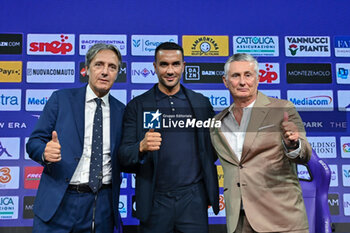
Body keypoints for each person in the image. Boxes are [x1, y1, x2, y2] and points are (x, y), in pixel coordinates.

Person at [119, 42, 219, 233]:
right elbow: (123, 156)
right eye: (164, 64)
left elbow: (212, 150)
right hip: (155, 200)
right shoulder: (137, 105)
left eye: (175, 64)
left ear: (183, 66)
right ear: (155, 67)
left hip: (193, 201)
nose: (170, 70)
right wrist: (140, 147)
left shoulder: (201, 103)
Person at [26, 43, 125, 233]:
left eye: (112, 67)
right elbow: (34, 142)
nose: (105, 72)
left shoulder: (122, 111)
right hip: (59, 202)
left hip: (102, 205)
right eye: (99, 65)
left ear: (117, 73)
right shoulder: (61, 99)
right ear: (86, 69)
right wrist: (44, 152)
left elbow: (125, 155)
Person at [210, 53, 311, 233]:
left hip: (280, 220)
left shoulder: (281, 109)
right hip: (239, 222)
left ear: (258, 78)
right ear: (225, 81)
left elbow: (304, 154)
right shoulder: (218, 122)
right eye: (235, 76)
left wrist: (293, 145)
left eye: (248, 75)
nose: (242, 82)